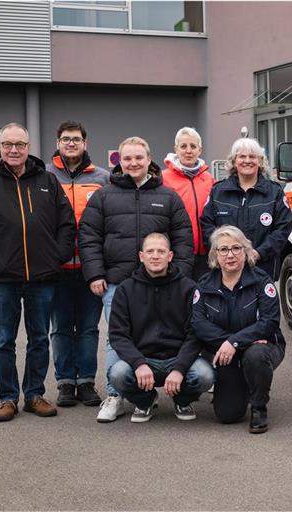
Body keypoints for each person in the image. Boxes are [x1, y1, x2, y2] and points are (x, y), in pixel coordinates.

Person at [0, 122, 76, 421]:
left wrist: (57, 256)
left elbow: (66, 223)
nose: (14, 149)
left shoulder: (48, 182)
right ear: (0, 148)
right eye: (8, 144)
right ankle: (8, 397)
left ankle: (35, 394)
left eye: (20, 144)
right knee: (3, 340)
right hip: (2, 278)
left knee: (39, 338)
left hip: (43, 276)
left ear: (28, 147)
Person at [79, 136, 194, 423]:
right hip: (117, 281)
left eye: (138, 158)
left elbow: (183, 238)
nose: (133, 163)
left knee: (167, 331)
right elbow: (89, 236)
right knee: (116, 338)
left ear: (148, 159)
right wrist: (95, 273)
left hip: (163, 281)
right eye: (127, 158)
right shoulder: (104, 195)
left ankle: (170, 387)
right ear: (118, 162)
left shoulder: (167, 196)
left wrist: (179, 273)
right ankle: (116, 395)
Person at [107, 233, 214, 423]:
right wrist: (138, 364)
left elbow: (195, 333)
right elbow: (118, 335)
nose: (155, 256)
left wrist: (180, 369)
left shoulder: (188, 288)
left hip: (177, 358)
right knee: (117, 374)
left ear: (170, 256)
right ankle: (145, 401)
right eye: (150, 251)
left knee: (205, 375)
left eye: (161, 251)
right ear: (141, 256)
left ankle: (182, 400)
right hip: (143, 359)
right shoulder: (125, 289)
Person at [191, 225, 285, 433]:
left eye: (236, 248)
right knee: (227, 415)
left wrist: (234, 342)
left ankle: (259, 407)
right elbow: (198, 323)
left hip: (263, 347)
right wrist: (229, 343)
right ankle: (243, 384)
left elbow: (269, 322)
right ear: (215, 254)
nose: (230, 255)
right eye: (223, 249)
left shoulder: (262, 281)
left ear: (246, 251)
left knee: (256, 355)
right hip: (226, 351)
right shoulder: (205, 284)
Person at [46, 120, 109, 407]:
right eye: (66, 139)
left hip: (90, 267)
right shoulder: (44, 177)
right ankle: (64, 383)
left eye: (76, 139)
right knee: (60, 327)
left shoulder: (102, 178)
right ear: (58, 143)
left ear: (85, 144)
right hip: (55, 268)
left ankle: (85, 382)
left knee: (87, 327)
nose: (71, 143)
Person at [201, 138, 292, 282]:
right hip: (225, 273)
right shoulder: (218, 191)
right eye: (242, 156)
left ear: (260, 161)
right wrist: (224, 253)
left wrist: (258, 253)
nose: (247, 160)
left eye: (252, 156)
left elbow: (283, 228)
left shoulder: (275, 192)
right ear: (234, 161)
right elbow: (207, 225)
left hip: (263, 270)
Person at [162, 127, 215, 281]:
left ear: (200, 150)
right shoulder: (164, 178)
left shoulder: (209, 179)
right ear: (176, 150)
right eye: (183, 146)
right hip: (177, 252)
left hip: (205, 253)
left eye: (193, 146)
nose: (188, 151)